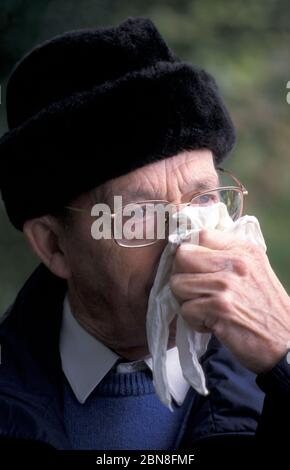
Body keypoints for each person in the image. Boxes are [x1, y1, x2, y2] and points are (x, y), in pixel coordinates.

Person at [0, 16, 289, 458]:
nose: (185, 242)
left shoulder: (272, 370)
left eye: (203, 199)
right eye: (139, 216)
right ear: (55, 246)